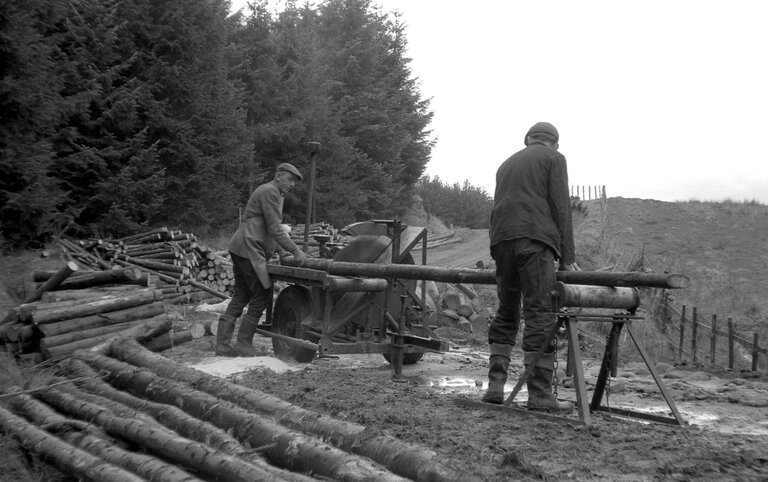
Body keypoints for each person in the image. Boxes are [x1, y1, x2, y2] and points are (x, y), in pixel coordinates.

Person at [482, 122, 578, 411]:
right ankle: (539, 394)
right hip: (534, 240)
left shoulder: (506, 164)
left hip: (502, 240)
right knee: (539, 311)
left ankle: (495, 387)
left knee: (507, 310)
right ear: (555, 143)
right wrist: (568, 256)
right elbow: (561, 207)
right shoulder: (554, 159)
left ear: (529, 140)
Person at [215, 163, 308, 356]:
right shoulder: (270, 191)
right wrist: (295, 251)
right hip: (248, 247)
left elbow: (270, 228)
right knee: (262, 295)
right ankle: (243, 344)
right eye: (290, 180)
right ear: (278, 176)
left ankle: (223, 345)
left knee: (241, 296)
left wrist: (282, 253)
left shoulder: (276, 194)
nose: (292, 185)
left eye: (294, 182)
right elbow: (274, 229)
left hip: (243, 247)